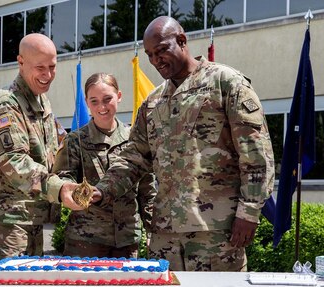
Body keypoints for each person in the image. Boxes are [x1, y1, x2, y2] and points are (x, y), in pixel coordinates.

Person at [62, 16, 275, 271]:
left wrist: (249, 212)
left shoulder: (226, 84)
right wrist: (103, 190)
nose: (155, 61)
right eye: (150, 55)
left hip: (216, 233)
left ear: (182, 41)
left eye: (161, 50)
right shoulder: (153, 102)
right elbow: (133, 157)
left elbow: (256, 155)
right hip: (165, 236)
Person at [0, 33, 66, 268]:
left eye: (52, 67)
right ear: (21, 62)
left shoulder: (41, 101)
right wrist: (60, 188)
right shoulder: (6, 104)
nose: (47, 75)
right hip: (5, 225)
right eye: (40, 67)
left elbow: (60, 145)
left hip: (30, 218)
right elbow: (14, 162)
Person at [49, 73, 156, 258]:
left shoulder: (135, 139)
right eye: (95, 101)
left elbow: (147, 190)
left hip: (127, 240)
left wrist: (152, 230)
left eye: (108, 99)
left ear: (119, 96)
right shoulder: (75, 141)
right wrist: (73, 191)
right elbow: (62, 178)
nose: (102, 107)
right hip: (85, 240)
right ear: (87, 102)